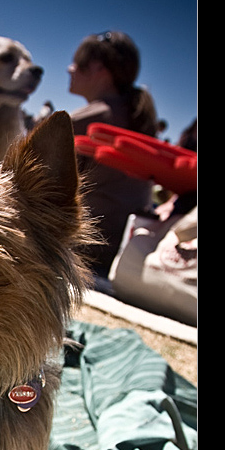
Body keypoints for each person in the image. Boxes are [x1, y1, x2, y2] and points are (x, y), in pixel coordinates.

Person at [67, 31, 159, 276]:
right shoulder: (136, 116)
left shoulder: (88, 120)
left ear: (98, 68)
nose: (70, 69)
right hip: (123, 248)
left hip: (85, 251)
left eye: (77, 63)